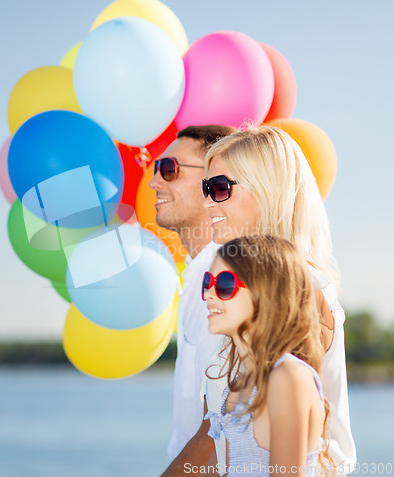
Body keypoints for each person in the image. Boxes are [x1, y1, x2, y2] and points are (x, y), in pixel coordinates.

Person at [160, 125, 355, 476]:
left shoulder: (300, 291)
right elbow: (228, 438)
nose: (207, 202)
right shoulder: (236, 287)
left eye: (220, 189)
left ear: (267, 193)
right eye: (206, 188)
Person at [203, 236, 334, 477]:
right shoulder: (238, 386)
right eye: (207, 282)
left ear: (266, 294)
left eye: (223, 284)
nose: (209, 294)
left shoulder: (288, 377)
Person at [149, 125, 237, 466]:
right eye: (157, 170)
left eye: (170, 169)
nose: (155, 182)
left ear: (214, 180)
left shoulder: (221, 276)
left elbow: (222, 422)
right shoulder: (198, 272)